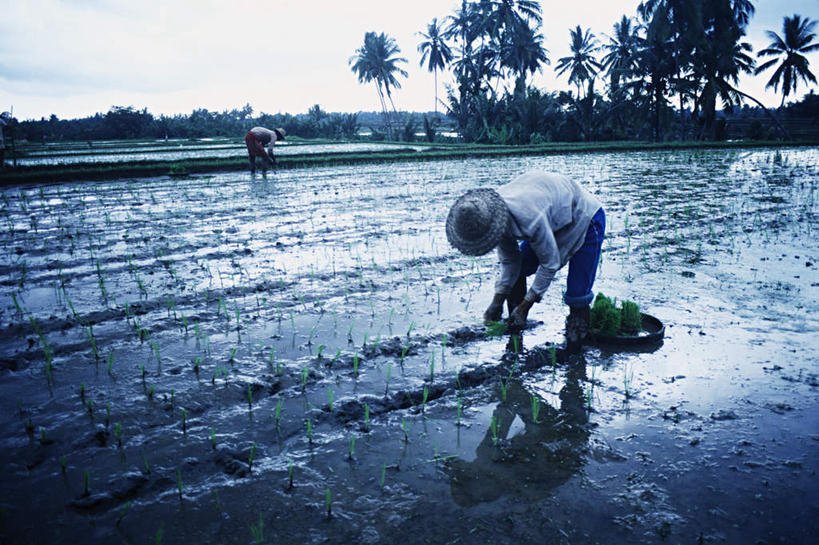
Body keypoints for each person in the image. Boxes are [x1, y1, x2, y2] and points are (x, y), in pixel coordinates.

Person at [445, 170, 605, 350]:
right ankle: (516, 332)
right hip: (550, 215)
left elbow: (549, 265)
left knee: (577, 294)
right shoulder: (491, 217)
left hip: (584, 217)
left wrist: (526, 305)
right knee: (519, 273)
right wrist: (497, 301)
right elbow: (510, 262)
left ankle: (576, 356)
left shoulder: (530, 217)